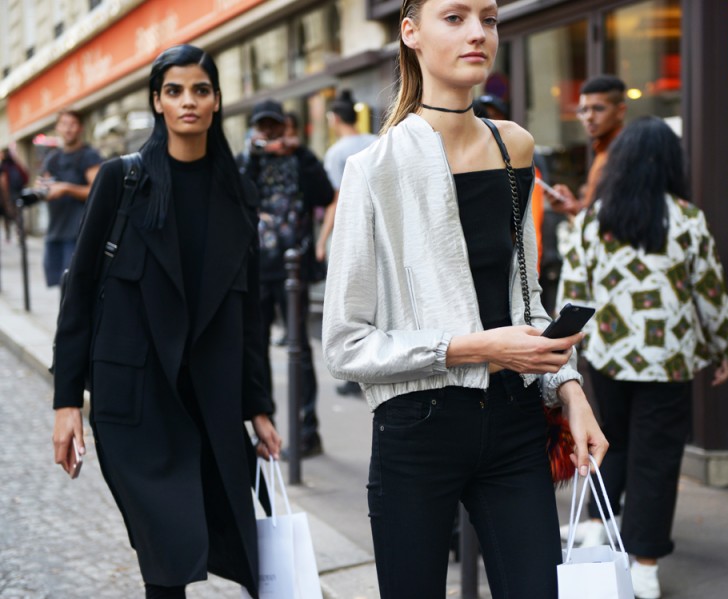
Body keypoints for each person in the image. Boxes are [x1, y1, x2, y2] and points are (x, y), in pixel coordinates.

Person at [321, 0, 608, 596]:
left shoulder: (515, 147)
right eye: (454, 17)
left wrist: (572, 392)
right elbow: (346, 344)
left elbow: (527, 299)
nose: (478, 33)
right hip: (417, 426)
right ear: (411, 33)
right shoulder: (373, 168)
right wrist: (478, 347)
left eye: (489, 18)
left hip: (514, 421)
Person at [51, 44, 282, 598]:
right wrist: (65, 403)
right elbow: (79, 291)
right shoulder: (122, 181)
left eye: (200, 90)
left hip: (212, 400)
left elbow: (247, 315)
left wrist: (260, 407)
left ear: (217, 100)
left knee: (234, 546)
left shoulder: (238, 193)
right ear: (157, 101)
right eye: (174, 91)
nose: (188, 102)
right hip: (135, 400)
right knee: (165, 554)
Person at [556, 116, 728, 599]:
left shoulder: (592, 220)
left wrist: (565, 355)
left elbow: (572, 292)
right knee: (656, 460)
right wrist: (727, 349)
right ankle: (644, 564)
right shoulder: (686, 219)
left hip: (606, 355)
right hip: (669, 358)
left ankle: (598, 527)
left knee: (607, 440)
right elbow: (711, 294)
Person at [239, 98, 334, 458]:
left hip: (292, 269)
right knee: (257, 349)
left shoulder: (299, 159)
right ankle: (268, 429)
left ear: (285, 126)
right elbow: (235, 196)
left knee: (299, 349)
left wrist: (302, 152)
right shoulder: (248, 161)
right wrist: (254, 153)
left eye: (274, 126)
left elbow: (325, 194)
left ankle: (308, 431)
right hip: (255, 270)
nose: (269, 133)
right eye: (262, 127)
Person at [317, 89, 378, 398]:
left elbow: (334, 200)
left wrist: (322, 239)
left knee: (350, 305)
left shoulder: (336, 152)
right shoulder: (375, 142)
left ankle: (356, 375)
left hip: (349, 235)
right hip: (379, 232)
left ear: (335, 119)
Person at [545, 74, 627, 218]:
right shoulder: (602, 151)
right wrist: (573, 205)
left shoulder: (627, 152)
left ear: (620, 111)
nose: (589, 117)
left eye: (598, 108)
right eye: (583, 110)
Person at [38, 109, 103, 286]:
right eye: (64, 124)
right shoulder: (52, 159)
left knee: (78, 288)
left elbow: (99, 191)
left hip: (79, 235)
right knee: (63, 288)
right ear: (57, 128)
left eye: (72, 124)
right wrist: (43, 190)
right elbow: (44, 186)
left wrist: (67, 189)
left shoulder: (89, 156)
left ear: (80, 128)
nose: (68, 129)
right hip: (56, 232)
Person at [0, 147, 29, 241]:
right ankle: (20, 233)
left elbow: (3, 183)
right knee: (17, 215)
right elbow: (25, 177)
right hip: (17, 194)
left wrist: (6, 198)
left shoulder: (3, 167)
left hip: (7, 196)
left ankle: (9, 236)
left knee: (8, 216)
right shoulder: (15, 165)